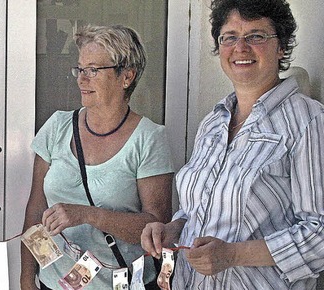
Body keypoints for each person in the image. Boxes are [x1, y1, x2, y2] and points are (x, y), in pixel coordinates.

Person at [141, 0, 324, 289]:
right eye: (229, 37)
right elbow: (195, 210)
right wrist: (172, 229)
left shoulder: (308, 121)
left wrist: (233, 254)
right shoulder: (213, 123)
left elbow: (319, 234)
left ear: (282, 47)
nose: (240, 47)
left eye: (256, 36)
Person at [21, 24, 174, 289]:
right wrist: (27, 279)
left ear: (126, 76)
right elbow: (36, 209)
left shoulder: (148, 139)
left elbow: (156, 228)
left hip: (122, 283)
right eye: (80, 69)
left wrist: (89, 215)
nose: (82, 79)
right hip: (53, 283)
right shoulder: (57, 126)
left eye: (93, 70)